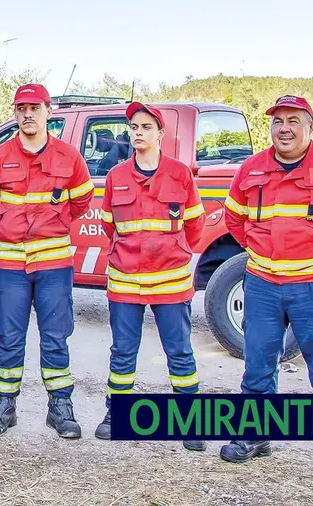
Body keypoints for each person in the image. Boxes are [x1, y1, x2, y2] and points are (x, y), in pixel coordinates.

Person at [222, 95, 313, 483]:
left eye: (292, 120)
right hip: (262, 284)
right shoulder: (252, 168)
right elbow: (234, 219)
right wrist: (259, 249)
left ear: (310, 127)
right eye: (277, 121)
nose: (283, 128)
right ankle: (255, 436)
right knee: (257, 366)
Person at [0, 83, 94, 438]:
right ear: (15, 113)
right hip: (9, 266)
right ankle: (3, 407)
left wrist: (50, 226)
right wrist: (10, 226)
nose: (28, 114)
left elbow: (81, 202)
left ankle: (60, 407)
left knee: (56, 336)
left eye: (34, 107)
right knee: (9, 337)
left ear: (48, 111)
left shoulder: (69, 157)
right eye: (21, 108)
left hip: (53, 265)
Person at [95, 102, 206, 451]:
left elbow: (196, 225)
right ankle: (117, 414)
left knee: (180, 353)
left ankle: (190, 422)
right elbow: (108, 226)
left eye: (146, 127)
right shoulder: (116, 176)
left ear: (161, 134)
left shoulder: (180, 174)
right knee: (123, 352)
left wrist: (171, 252)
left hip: (170, 283)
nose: (138, 132)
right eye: (134, 127)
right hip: (126, 282)